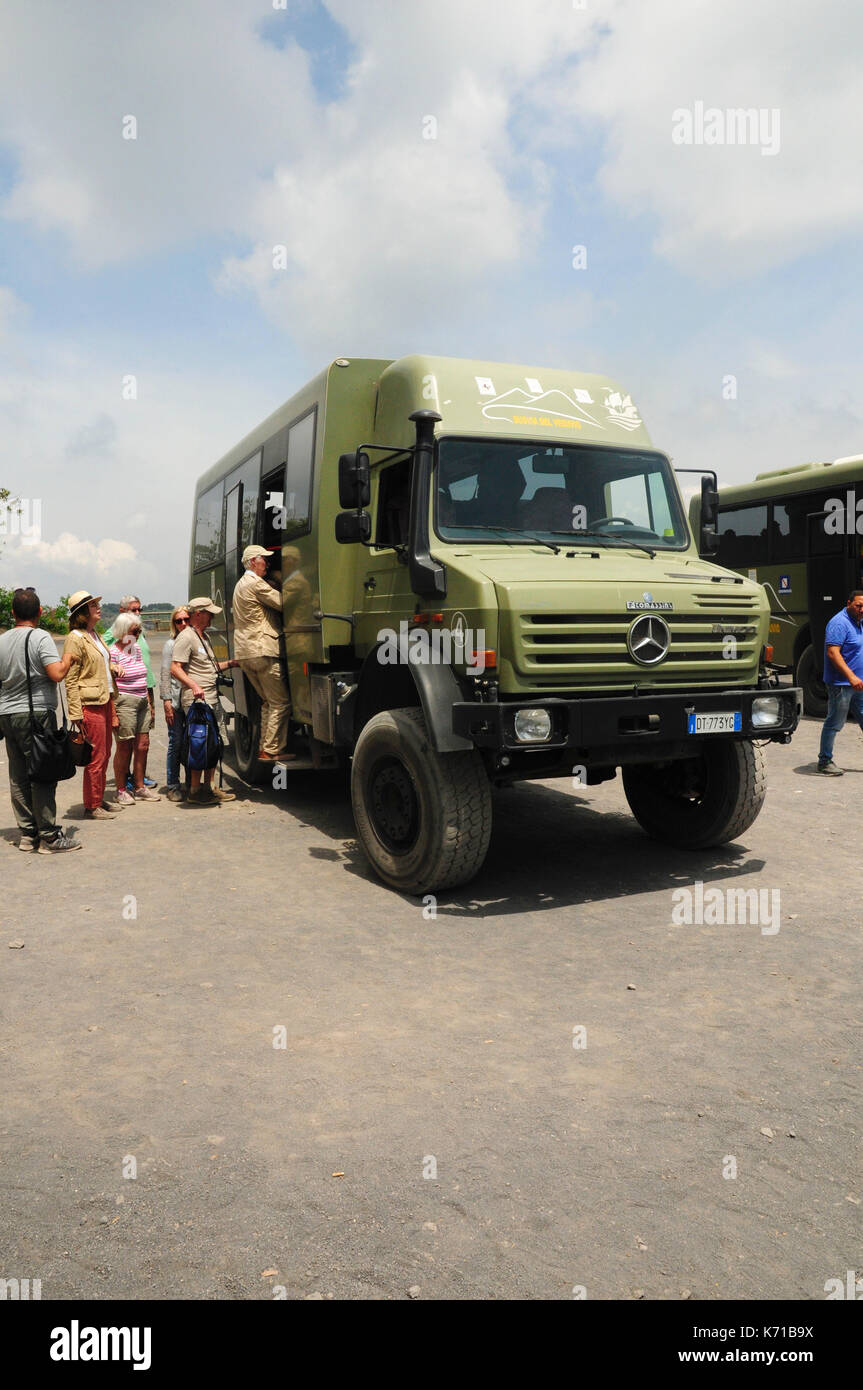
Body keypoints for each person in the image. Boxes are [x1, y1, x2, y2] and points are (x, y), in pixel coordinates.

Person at [0, 587, 81, 852]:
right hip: (34, 714)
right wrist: (67, 659)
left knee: (19, 774)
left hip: (7, 715)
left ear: (13, 613)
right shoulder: (39, 637)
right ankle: (48, 836)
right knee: (42, 773)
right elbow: (56, 673)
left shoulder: (2, 640)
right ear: (40, 612)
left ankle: (28, 834)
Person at [170, 596, 239, 804]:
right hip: (197, 700)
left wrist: (233, 663)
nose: (212, 617)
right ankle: (195, 790)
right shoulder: (187, 637)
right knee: (199, 744)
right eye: (209, 613)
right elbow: (175, 668)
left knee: (214, 744)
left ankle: (209, 787)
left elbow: (208, 667)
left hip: (210, 698)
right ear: (198, 613)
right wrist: (194, 685)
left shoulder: (203, 636)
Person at [63, 590, 121, 819]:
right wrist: (75, 713)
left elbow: (97, 667)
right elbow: (71, 678)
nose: (98, 606)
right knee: (96, 756)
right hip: (90, 704)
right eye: (93, 604)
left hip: (105, 700)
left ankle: (97, 798)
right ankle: (92, 805)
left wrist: (113, 668)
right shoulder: (75, 638)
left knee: (104, 753)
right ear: (82, 612)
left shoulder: (94, 634)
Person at [231, 545, 291, 760]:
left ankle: (265, 748)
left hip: (246, 651)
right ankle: (272, 749)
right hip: (262, 648)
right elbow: (285, 604)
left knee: (268, 702)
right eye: (264, 559)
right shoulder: (256, 583)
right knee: (280, 702)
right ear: (253, 561)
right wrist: (285, 582)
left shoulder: (241, 585)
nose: (267, 563)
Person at [104, 595, 158, 789]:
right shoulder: (116, 636)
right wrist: (112, 665)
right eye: (133, 610)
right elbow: (102, 651)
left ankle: (139, 781)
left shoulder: (135, 639)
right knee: (126, 744)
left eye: (139, 610)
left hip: (143, 690)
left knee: (143, 742)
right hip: (125, 696)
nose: (138, 614)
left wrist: (149, 700)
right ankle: (124, 782)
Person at [817, 589, 863, 775]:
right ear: (848, 603)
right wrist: (851, 676)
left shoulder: (859, 622)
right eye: (858, 605)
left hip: (859, 684)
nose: (862, 609)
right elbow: (832, 653)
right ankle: (824, 761)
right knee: (835, 722)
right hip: (841, 684)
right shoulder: (839, 623)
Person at [160, 605, 190, 803]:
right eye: (179, 621)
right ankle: (173, 785)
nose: (183, 624)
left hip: (191, 701)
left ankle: (192, 783)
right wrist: (167, 702)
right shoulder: (170, 644)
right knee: (176, 742)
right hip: (177, 702)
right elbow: (164, 674)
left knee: (192, 743)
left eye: (186, 619)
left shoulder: (193, 640)